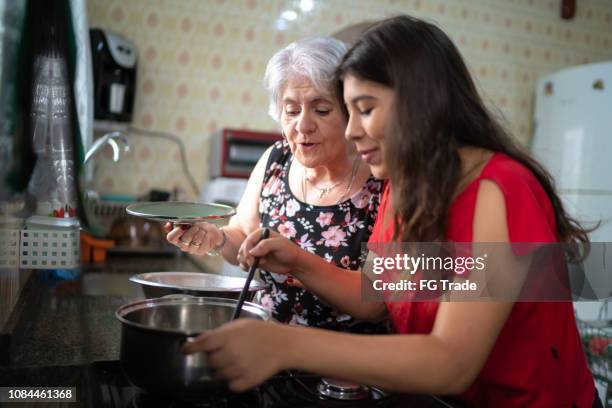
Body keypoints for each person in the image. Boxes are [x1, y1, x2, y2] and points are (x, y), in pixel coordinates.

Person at [182, 16, 601, 407]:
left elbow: (451, 362)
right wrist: (294, 258)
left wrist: (283, 345)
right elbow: (374, 297)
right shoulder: (406, 189)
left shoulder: (499, 188)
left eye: (364, 108)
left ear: (421, 102)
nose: (350, 130)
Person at [166, 37, 385, 331]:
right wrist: (215, 238)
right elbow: (244, 235)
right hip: (267, 347)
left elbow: (377, 301)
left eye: (321, 110)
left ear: (349, 111)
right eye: (292, 111)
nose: (303, 126)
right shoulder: (276, 160)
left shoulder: (381, 178)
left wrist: (297, 261)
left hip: (345, 363)